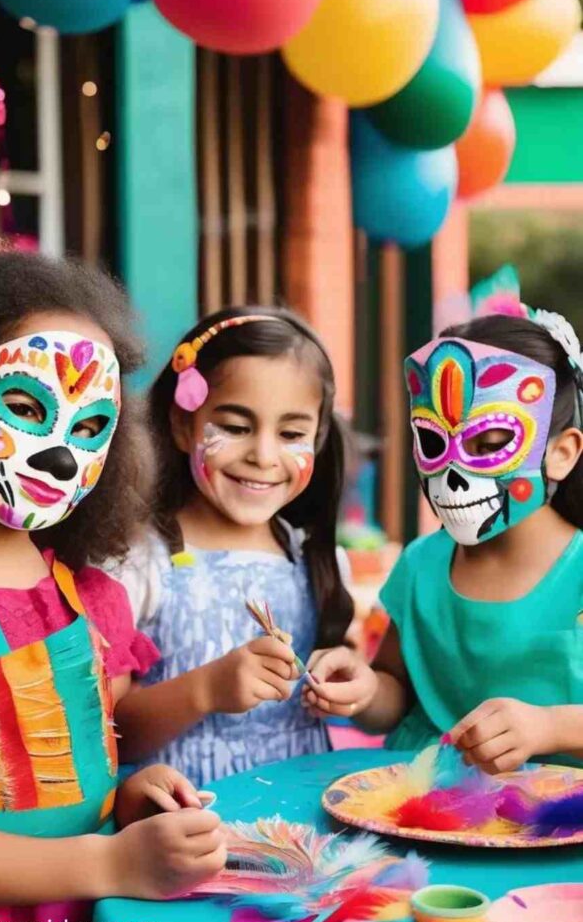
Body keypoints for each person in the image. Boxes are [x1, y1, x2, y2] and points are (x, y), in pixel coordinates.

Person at [0, 251, 225, 922]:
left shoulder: (80, 590)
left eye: (87, 427)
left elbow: (67, 772)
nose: (59, 452)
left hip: (87, 918)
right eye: (24, 405)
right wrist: (107, 859)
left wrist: (120, 803)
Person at [303, 308, 583, 773]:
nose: (454, 475)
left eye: (490, 443)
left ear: (560, 453)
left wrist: (549, 726)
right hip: (420, 800)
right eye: (434, 443)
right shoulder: (421, 564)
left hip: (552, 820)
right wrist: (366, 690)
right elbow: (396, 687)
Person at [111, 306, 355, 784]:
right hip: (187, 831)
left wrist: (352, 685)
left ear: (319, 439)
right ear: (184, 426)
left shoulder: (316, 561)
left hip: (301, 830)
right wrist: (206, 689)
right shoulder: (139, 561)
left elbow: (357, 684)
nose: (264, 456)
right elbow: (109, 733)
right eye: (236, 427)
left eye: (291, 434)